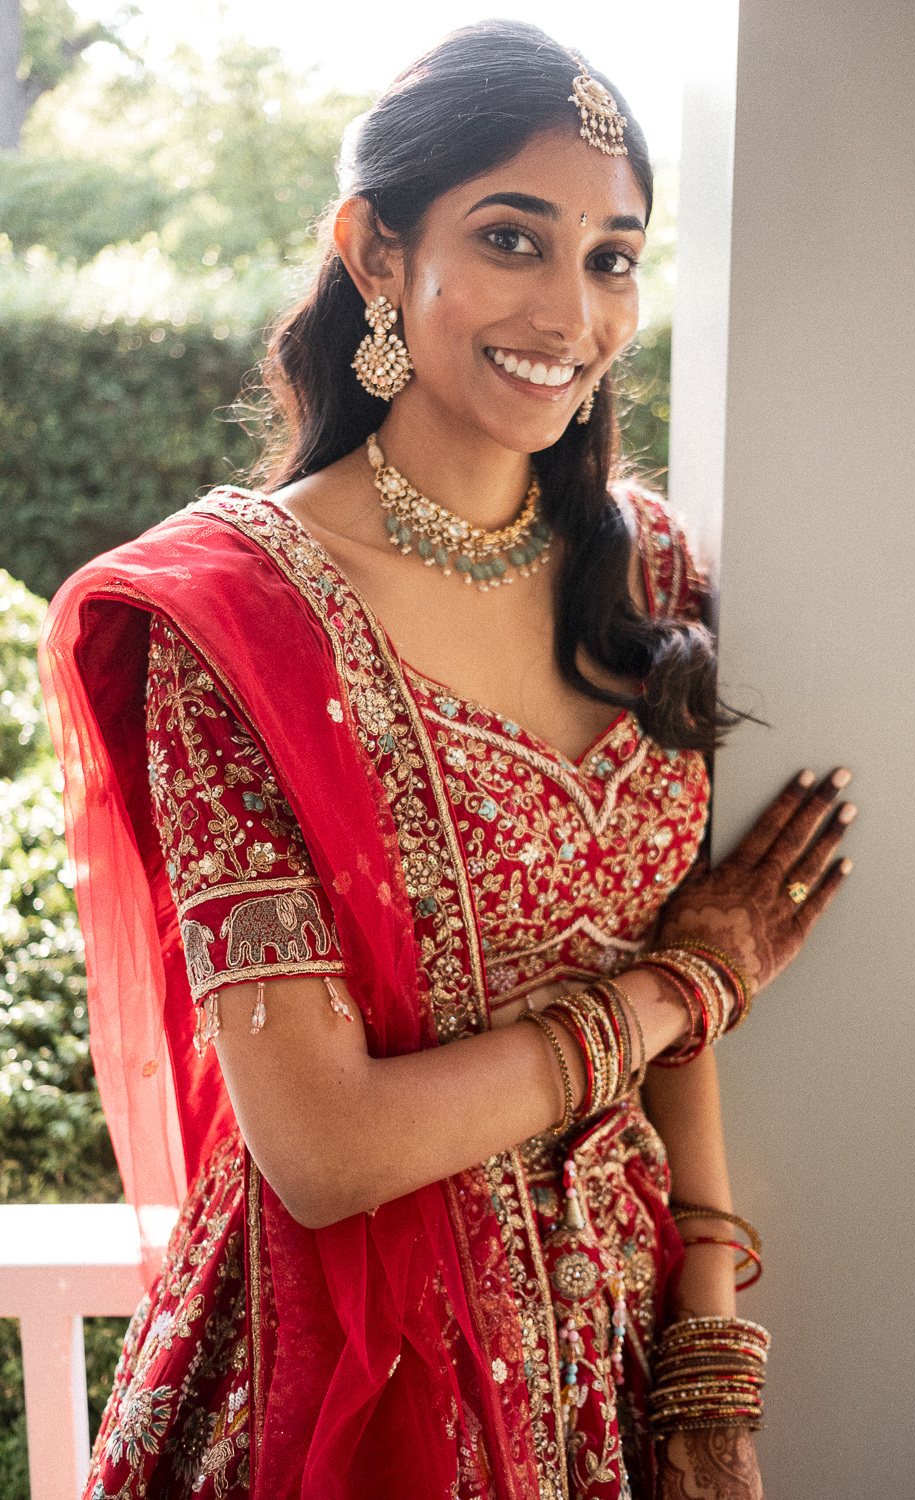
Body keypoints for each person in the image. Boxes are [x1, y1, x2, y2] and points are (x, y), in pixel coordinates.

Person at [40, 21, 855, 1500]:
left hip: (620, 1358)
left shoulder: (652, 575)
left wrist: (709, 1351)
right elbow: (325, 1145)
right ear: (371, 249)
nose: (573, 308)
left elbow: (690, 1005)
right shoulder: (236, 622)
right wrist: (682, 988)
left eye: (612, 256)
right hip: (357, 1378)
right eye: (512, 239)